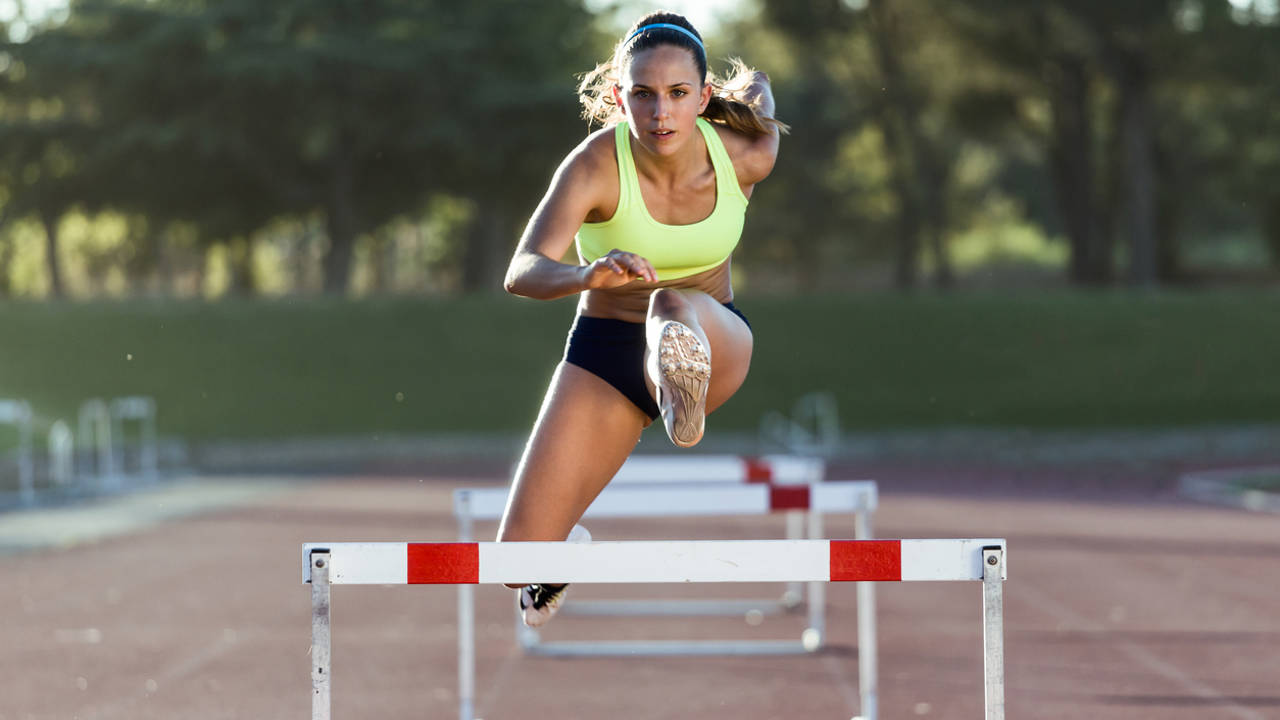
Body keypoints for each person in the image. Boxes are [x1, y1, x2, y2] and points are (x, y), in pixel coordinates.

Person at [497, 11, 786, 627]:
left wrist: (756, 86)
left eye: (680, 95)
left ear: (704, 97)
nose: (661, 114)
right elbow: (521, 269)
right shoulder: (594, 166)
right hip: (607, 352)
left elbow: (761, 101)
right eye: (644, 94)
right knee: (515, 562)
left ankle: (679, 381)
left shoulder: (744, 155)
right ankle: (561, 552)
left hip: (713, 340)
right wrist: (584, 274)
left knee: (670, 302)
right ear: (616, 95)